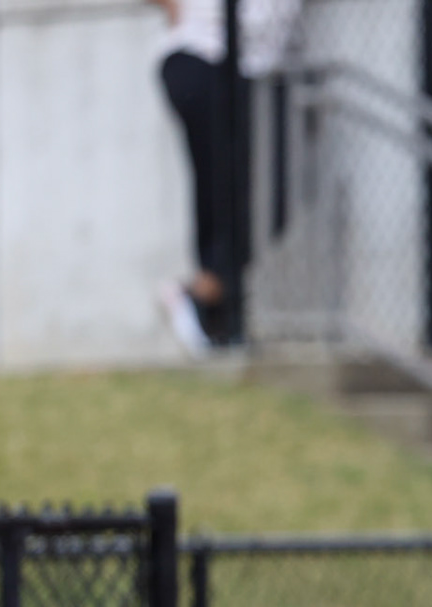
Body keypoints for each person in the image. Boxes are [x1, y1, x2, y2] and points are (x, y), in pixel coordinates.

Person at [148, 0, 302, 351]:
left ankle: (207, 299)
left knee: (267, 205)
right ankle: (210, 304)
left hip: (264, 70)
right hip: (201, 56)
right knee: (221, 191)